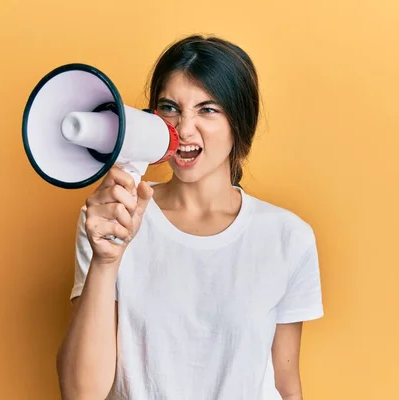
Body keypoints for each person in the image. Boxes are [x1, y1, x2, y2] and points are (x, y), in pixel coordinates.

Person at [56, 34, 324, 400]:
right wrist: (106, 260)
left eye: (207, 109)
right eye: (169, 107)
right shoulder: (111, 219)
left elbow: (286, 386)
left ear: (239, 122)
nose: (183, 129)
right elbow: (80, 393)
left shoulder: (287, 237)